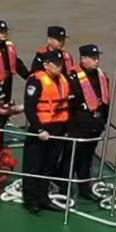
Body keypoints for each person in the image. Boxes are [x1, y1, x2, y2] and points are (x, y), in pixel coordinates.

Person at [20, 53, 73, 213]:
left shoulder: (63, 80)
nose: (59, 67)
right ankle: (30, 200)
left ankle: (43, 197)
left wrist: (68, 129)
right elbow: (29, 108)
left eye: (60, 64)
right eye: (55, 64)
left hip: (58, 129)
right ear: (46, 64)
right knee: (33, 166)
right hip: (41, 130)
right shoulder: (36, 81)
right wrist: (39, 129)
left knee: (49, 166)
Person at [69, 44, 113, 201]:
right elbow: (71, 104)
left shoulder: (101, 76)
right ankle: (64, 187)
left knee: (87, 158)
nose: (97, 61)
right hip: (80, 123)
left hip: (96, 124)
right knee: (72, 156)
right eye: (93, 58)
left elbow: (105, 100)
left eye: (97, 58)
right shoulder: (73, 78)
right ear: (83, 59)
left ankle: (84, 188)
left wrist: (103, 121)